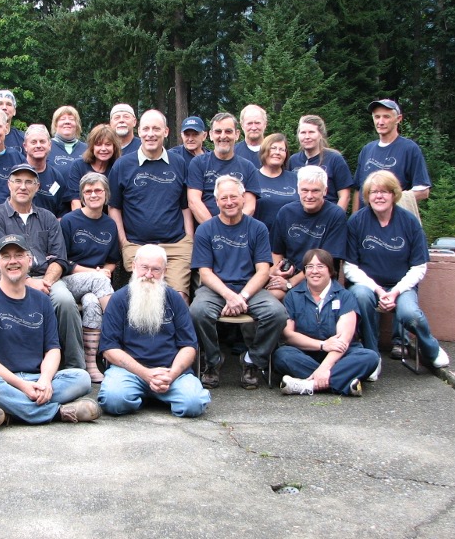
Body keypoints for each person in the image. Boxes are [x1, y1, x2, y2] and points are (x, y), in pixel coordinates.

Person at [0, 234, 100, 430]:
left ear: (29, 261)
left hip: (37, 379)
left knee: (82, 378)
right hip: (3, 381)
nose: (13, 261)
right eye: (6, 256)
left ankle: (10, 413)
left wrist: (45, 380)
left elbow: (53, 349)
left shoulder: (42, 300)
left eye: (19, 255)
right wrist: (22, 386)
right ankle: (58, 412)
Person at [190, 176, 288, 390]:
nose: (229, 202)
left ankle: (252, 360)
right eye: (223, 198)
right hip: (215, 289)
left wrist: (241, 296)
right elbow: (204, 273)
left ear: (243, 198)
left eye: (233, 196)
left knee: (277, 314)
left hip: (250, 288)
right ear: (216, 202)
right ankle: (212, 362)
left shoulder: (258, 228)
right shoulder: (206, 229)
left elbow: (263, 271)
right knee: (197, 311)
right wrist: (228, 295)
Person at [344, 170, 450, 368]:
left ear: (394, 194)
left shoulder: (409, 222)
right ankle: (371, 355)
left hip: (402, 287)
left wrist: (395, 292)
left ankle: (430, 348)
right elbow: (349, 267)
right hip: (367, 287)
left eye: (385, 191)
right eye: (374, 192)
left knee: (410, 313)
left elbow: (419, 267)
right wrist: (377, 289)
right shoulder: (357, 221)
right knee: (360, 297)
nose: (379, 196)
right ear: (367, 195)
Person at [0, 164, 85, 370]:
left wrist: (46, 282)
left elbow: (59, 259)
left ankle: (75, 366)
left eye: (29, 182)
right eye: (18, 181)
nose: (23, 186)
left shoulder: (48, 217)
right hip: (10, 279)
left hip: (48, 279)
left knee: (65, 301)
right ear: (9, 185)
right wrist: (28, 281)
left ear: (37, 187)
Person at [97, 244, 210, 417]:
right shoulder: (119, 299)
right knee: (113, 400)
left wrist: (171, 375)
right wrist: (146, 374)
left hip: (170, 372)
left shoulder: (175, 299)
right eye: (144, 268)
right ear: (134, 266)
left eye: (156, 269)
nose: (149, 275)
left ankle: (156, 392)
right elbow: (109, 349)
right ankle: (148, 394)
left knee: (193, 405)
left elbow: (189, 346)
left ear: (165, 270)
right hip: (130, 372)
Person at [108, 109, 194, 302]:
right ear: (139, 131)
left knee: (178, 298)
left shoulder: (179, 163)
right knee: (145, 298)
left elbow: (185, 206)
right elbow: (114, 207)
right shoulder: (123, 165)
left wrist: (189, 239)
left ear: (166, 132)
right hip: (137, 245)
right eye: (146, 129)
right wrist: (124, 243)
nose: (150, 134)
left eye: (156, 128)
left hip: (176, 245)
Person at [275, 249, 380, 396]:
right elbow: (289, 335)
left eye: (320, 266)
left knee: (369, 357)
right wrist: (322, 345)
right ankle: (341, 382)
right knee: (282, 355)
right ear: (304, 272)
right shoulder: (293, 296)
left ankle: (308, 385)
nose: (314, 271)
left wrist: (325, 368)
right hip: (307, 353)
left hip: (340, 355)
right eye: (309, 267)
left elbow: (343, 339)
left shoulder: (345, 296)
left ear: (330, 270)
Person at [60, 172, 119, 382]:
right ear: (82, 196)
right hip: (69, 280)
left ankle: (91, 364)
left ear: (106, 194)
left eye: (98, 190)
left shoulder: (110, 224)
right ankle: (120, 335)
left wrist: (107, 270)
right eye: (88, 191)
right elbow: (62, 261)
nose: (93, 195)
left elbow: (112, 259)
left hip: (97, 285)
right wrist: (95, 273)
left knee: (93, 303)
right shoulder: (69, 221)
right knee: (99, 281)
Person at [268, 166, 347, 300]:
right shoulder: (286, 212)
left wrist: (290, 284)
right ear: (298, 189)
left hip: (320, 277)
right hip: (290, 273)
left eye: (315, 191)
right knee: (273, 296)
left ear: (325, 191)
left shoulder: (335, 215)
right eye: (304, 190)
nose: (309, 196)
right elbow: (276, 251)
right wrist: (278, 272)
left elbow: (328, 261)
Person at [352, 99, 431, 210]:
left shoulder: (409, 149)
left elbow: (423, 191)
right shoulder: (367, 149)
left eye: (386, 117)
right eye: (377, 117)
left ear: (398, 119)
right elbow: (358, 190)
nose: (381, 122)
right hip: (366, 223)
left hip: (395, 221)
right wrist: (355, 219)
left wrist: (387, 201)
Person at [187, 112, 261, 225]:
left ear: (236, 134)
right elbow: (194, 201)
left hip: (240, 234)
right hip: (207, 233)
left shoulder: (248, 167)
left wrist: (234, 229)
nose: (222, 136)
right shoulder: (198, 163)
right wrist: (215, 229)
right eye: (218, 131)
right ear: (211, 135)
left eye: (228, 131)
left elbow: (250, 206)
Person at [287, 115, 354, 212]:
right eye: (303, 133)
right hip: (300, 218)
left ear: (320, 134)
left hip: (327, 216)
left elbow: (345, 196)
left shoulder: (334, 159)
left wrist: (336, 218)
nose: (307, 137)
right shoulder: (293, 160)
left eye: (311, 132)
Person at [67, 124, 121, 210]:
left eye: (108, 144)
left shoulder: (118, 168)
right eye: (98, 144)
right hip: (82, 218)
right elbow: (75, 201)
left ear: (114, 147)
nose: (103, 149)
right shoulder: (78, 166)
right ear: (92, 147)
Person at [254, 133, 299, 235]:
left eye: (282, 149)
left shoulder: (295, 179)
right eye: (273, 148)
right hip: (260, 238)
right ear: (264, 151)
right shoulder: (252, 178)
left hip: (291, 238)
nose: (277, 152)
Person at [23, 124, 69, 217]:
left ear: (49, 145)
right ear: (25, 146)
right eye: (33, 142)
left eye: (42, 141)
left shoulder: (56, 177)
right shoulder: (16, 174)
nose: (38, 145)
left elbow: (61, 212)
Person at [48, 105, 87, 179]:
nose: (67, 122)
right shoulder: (46, 147)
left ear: (77, 125)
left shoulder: (87, 149)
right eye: (62, 119)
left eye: (71, 119)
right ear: (55, 124)